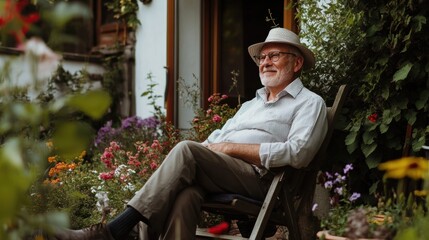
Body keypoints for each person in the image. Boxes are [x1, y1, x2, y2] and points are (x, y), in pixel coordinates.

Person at [53, 27, 328, 240]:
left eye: (274, 56)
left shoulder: (309, 103)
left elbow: (299, 152)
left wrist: (230, 149)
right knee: (188, 194)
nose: (265, 62)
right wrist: (210, 148)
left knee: (186, 150)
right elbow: (218, 137)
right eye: (262, 57)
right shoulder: (251, 105)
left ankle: (114, 231)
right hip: (227, 173)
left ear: (297, 63)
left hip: (264, 181)